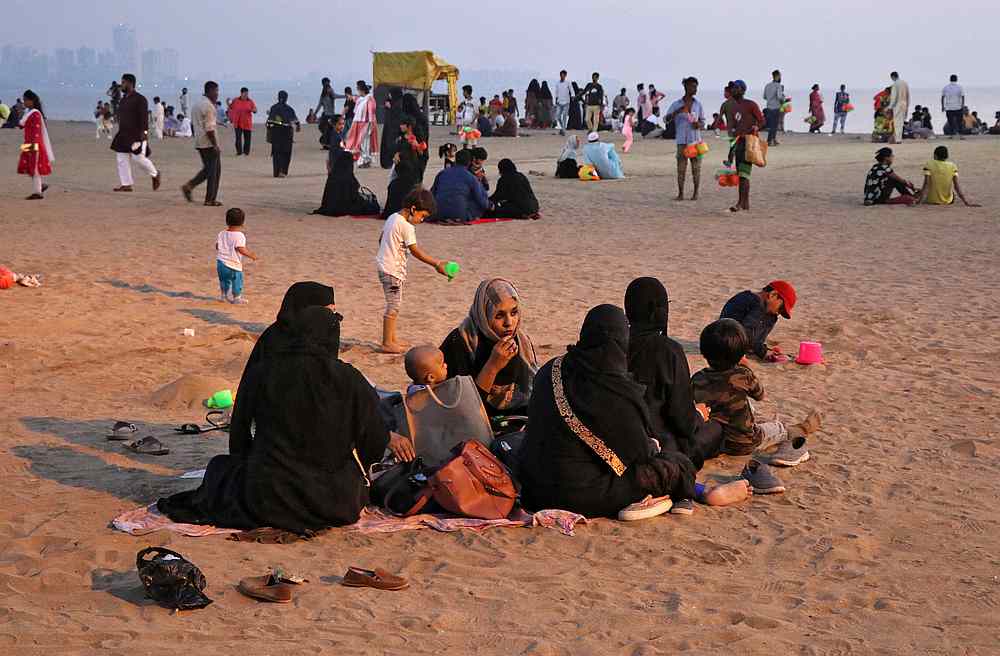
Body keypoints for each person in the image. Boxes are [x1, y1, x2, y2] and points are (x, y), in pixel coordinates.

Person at [158, 305, 394, 533]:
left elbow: (239, 430)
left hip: (264, 495)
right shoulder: (349, 378)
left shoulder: (263, 371)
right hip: (332, 501)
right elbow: (374, 437)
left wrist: (248, 464)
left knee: (220, 469)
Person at [516, 304, 697, 518]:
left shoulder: (550, 369)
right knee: (677, 466)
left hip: (532, 489)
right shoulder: (614, 392)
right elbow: (638, 455)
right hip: (578, 494)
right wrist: (652, 446)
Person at [692, 319, 822, 478]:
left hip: (717, 442)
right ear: (741, 354)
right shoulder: (743, 375)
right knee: (776, 429)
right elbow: (759, 395)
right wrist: (747, 367)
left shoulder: (697, 379)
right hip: (745, 442)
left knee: (738, 406)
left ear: (704, 353)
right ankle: (796, 430)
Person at [625, 278, 722, 475]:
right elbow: (682, 422)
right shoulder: (669, 350)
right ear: (656, 310)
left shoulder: (615, 342)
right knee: (716, 430)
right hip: (658, 444)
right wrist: (698, 415)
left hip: (619, 438)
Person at [440, 278, 538, 417]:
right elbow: (463, 407)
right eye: (499, 315)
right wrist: (493, 366)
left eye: (514, 313)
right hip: (475, 420)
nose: (509, 323)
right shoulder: (462, 342)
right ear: (483, 314)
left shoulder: (522, 342)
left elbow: (531, 391)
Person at [375, 187, 451, 353]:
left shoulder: (392, 217)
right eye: (422, 216)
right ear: (413, 209)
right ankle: (387, 342)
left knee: (395, 304)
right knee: (393, 306)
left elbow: (381, 239)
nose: (421, 220)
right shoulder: (406, 226)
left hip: (384, 267)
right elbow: (416, 251)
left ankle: (392, 339)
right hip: (392, 270)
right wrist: (436, 264)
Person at [719, 281, 797, 362]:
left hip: (726, 341)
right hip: (727, 346)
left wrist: (765, 349)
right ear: (772, 295)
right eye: (781, 309)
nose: (778, 313)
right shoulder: (756, 304)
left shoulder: (751, 300)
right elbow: (747, 337)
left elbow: (752, 338)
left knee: (772, 316)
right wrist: (764, 352)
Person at [111, 74, 161, 193]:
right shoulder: (123, 99)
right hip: (123, 134)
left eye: (123, 82)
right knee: (121, 158)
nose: (121, 85)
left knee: (138, 158)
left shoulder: (140, 99)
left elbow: (144, 117)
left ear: (130, 83)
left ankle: (155, 174)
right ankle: (126, 184)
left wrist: (144, 132)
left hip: (136, 134)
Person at [722, 80, 764, 212]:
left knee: (744, 174)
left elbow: (762, 120)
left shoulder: (751, 104)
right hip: (738, 142)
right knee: (742, 174)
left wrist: (756, 127)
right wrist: (731, 150)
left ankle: (740, 203)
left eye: (736, 87)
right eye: (732, 88)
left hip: (749, 143)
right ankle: (745, 204)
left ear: (743, 90)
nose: (733, 90)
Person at [181, 80, 223, 206]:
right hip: (208, 143)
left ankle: (190, 186)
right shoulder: (209, 106)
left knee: (209, 170)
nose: (217, 94)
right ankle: (209, 199)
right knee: (214, 172)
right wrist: (215, 145)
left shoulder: (197, 104)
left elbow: (196, 124)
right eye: (216, 91)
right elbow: (209, 129)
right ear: (210, 91)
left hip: (199, 141)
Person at [665, 76, 705, 200]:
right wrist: (677, 111)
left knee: (696, 168)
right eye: (693, 86)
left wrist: (698, 124)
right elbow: (666, 119)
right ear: (686, 87)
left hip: (695, 141)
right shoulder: (676, 104)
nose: (695, 89)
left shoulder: (698, 104)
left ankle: (695, 193)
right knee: (681, 169)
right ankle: (681, 193)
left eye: (696, 87)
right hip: (682, 141)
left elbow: (703, 122)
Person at [381, 115, 427, 219]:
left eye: (403, 124)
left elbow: (422, 154)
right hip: (400, 168)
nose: (400, 126)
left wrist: (416, 146)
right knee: (392, 185)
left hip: (411, 169)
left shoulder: (416, 138)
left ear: (409, 126)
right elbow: (395, 150)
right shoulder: (400, 138)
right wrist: (396, 154)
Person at [313, 148, 380, 216]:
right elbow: (354, 197)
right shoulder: (349, 178)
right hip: (345, 208)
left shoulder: (332, 176)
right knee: (370, 207)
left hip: (330, 207)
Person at [430, 149, 489, 221]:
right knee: (477, 203)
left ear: (455, 160)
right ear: (470, 162)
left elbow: (432, 193)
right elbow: (482, 201)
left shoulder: (442, 173)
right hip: (460, 215)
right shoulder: (471, 177)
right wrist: (491, 205)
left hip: (439, 213)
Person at [216, 207, 258, 304]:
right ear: (242, 223)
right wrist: (251, 255)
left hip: (221, 262)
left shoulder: (221, 233)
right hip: (233, 264)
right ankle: (237, 297)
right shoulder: (239, 235)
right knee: (237, 280)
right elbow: (240, 248)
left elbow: (217, 246)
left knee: (224, 280)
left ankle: (224, 295)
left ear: (227, 221)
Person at [16, 90, 53, 201]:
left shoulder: (35, 113)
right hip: (28, 143)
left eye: (26, 100)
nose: (24, 102)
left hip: (33, 143)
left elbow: (35, 131)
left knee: (34, 167)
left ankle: (38, 192)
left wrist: (34, 146)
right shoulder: (29, 112)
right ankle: (40, 185)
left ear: (32, 101)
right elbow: (21, 125)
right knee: (27, 165)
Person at [266, 90, 300, 178]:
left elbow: (269, 122)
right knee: (286, 153)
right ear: (286, 98)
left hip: (276, 133)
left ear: (278, 97)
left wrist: (269, 131)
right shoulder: (289, 109)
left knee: (276, 153)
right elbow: (295, 120)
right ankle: (283, 171)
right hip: (287, 133)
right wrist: (298, 126)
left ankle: (276, 172)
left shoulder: (273, 108)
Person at [344, 81, 378, 168]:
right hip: (359, 123)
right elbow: (355, 99)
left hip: (366, 123)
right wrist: (351, 97)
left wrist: (371, 124)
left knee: (365, 142)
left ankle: (365, 160)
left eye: (358, 89)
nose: (357, 91)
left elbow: (371, 111)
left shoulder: (369, 99)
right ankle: (364, 160)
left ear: (362, 90)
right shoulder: (361, 99)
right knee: (361, 142)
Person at [228, 87, 257, 156]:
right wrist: (227, 102)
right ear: (241, 93)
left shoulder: (250, 101)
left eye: (247, 94)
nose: (246, 95)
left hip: (247, 123)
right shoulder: (235, 100)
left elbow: (255, 110)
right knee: (238, 139)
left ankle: (246, 153)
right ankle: (239, 152)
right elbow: (231, 107)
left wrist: (254, 110)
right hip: (237, 122)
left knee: (247, 139)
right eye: (245, 94)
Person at [762, 70, 785, 147]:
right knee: (774, 125)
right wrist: (783, 99)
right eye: (780, 76)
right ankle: (769, 141)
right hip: (776, 107)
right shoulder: (778, 85)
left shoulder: (767, 85)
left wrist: (770, 98)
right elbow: (779, 97)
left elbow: (764, 97)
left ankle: (773, 140)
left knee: (772, 125)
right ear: (777, 76)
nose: (780, 77)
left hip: (769, 107)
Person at [889, 72, 910, 144]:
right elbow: (908, 95)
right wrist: (907, 105)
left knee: (897, 122)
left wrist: (890, 107)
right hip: (904, 104)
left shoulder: (895, 84)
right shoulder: (905, 83)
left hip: (897, 105)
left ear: (893, 77)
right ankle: (898, 138)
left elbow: (894, 97)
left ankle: (898, 139)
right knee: (901, 122)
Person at [554, 70, 572, 135]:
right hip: (559, 102)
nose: (562, 76)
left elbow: (571, 90)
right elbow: (556, 92)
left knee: (564, 115)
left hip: (566, 102)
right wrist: (556, 99)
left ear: (565, 76)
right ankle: (563, 127)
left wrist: (573, 96)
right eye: (561, 75)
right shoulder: (557, 83)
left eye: (563, 75)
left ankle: (563, 129)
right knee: (558, 116)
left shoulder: (568, 83)